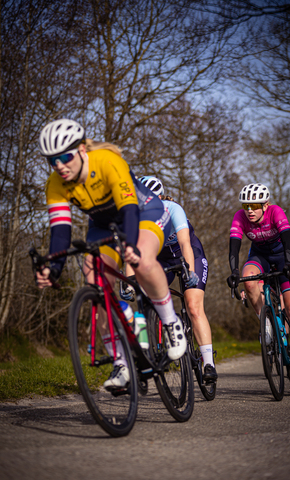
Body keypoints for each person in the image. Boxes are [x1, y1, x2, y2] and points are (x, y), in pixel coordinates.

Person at [36, 119, 187, 389]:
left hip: (142, 213)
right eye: (52, 161)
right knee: (94, 281)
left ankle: (170, 322)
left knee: (141, 260)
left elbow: (129, 208)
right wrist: (54, 268)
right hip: (103, 225)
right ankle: (121, 361)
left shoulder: (106, 161)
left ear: (82, 150)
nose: (59, 165)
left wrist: (130, 246)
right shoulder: (55, 184)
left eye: (65, 157)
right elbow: (60, 231)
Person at [134, 176, 218, 383]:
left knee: (193, 306)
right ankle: (155, 344)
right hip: (161, 259)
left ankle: (208, 362)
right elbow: (133, 250)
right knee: (149, 295)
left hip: (188, 253)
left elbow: (185, 243)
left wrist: (190, 271)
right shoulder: (136, 217)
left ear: (162, 198)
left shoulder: (172, 208)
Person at [227, 183, 290, 381]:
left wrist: (289, 263)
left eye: (254, 206)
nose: (249, 210)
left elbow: (288, 240)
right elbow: (234, 247)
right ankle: (266, 324)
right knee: (248, 282)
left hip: (283, 257)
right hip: (260, 256)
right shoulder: (240, 217)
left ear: (265, 205)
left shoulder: (276, 212)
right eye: (245, 206)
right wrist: (234, 271)